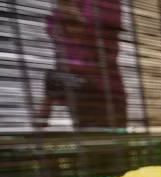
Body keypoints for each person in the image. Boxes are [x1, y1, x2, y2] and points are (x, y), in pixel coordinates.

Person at [35, 0, 126, 129]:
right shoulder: (62, 15)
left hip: (103, 93)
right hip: (82, 93)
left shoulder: (103, 7)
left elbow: (99, 29)